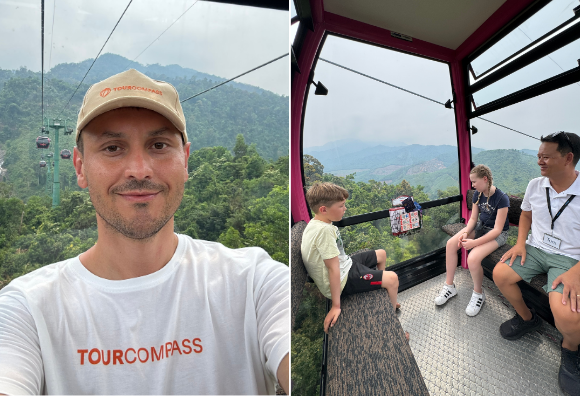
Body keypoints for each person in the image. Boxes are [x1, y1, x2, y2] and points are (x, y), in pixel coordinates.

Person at [0, 69, 290, 396]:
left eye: (159, 144)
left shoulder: (253, 283)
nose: (139, 170)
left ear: (185, 160)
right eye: (112, 148)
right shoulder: (27, 310)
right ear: (80, 167)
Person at [493, 131, 580, 395]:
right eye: (538, 156)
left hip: (571, 258)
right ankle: (527, 318)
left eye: (546, 157)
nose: (540, 162)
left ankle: (570, 350)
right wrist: (520, 244)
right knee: (500, 274)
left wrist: (577, 271)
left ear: (568, 158)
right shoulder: (535, 185)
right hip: (536, 247)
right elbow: (526, 216)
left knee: (566, 313)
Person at [302, 182, 402, 334]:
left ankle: (384, 291)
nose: (345, 209)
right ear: (324, 209)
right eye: (341, 206)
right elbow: (333, 269)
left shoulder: (316, 223)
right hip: (344, 279)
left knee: (381, 253)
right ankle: (394, 323)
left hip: (346, 264)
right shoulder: (324, 231)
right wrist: (336, 305)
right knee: (393, 278)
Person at [434, 164, 509, 317]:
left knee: (473, 257)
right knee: (450, 244)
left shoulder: (501, 198)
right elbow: (474, 218)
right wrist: (466, 232)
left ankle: (478, 294)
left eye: (474, 182)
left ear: (485, 179)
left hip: (497, 234)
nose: (472, 185)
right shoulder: (478, 194)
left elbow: (497, 230)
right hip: (481, 227)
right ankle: (449, 286)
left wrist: (474, 243)